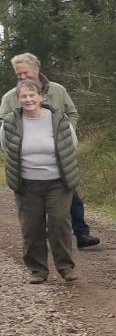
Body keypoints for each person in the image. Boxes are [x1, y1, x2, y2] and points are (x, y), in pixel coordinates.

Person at [1, 55, 99, 248]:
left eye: (25, 72)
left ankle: (82, 234)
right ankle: (43, 238)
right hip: (28, 162)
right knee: (34, 209)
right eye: (18, 73)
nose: (21, 76)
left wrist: (64, 134)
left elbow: (72, 113)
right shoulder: (11, 97)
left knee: (72, 194)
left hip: (61, 156)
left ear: (36, 69)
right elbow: (3, 123)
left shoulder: (58, 90)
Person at [2, 78, 80, 284]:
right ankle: (37, 270)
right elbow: (6, 147)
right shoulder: (10, 122)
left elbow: (71, 144)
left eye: (32, 95)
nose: (28, 100)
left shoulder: (58, 119)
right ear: (17, 99)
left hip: (57, 182)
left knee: (59, 224)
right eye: (23, 96)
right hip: (26, 184)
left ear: (41, 97)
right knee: (32, 227)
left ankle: (65, 267)